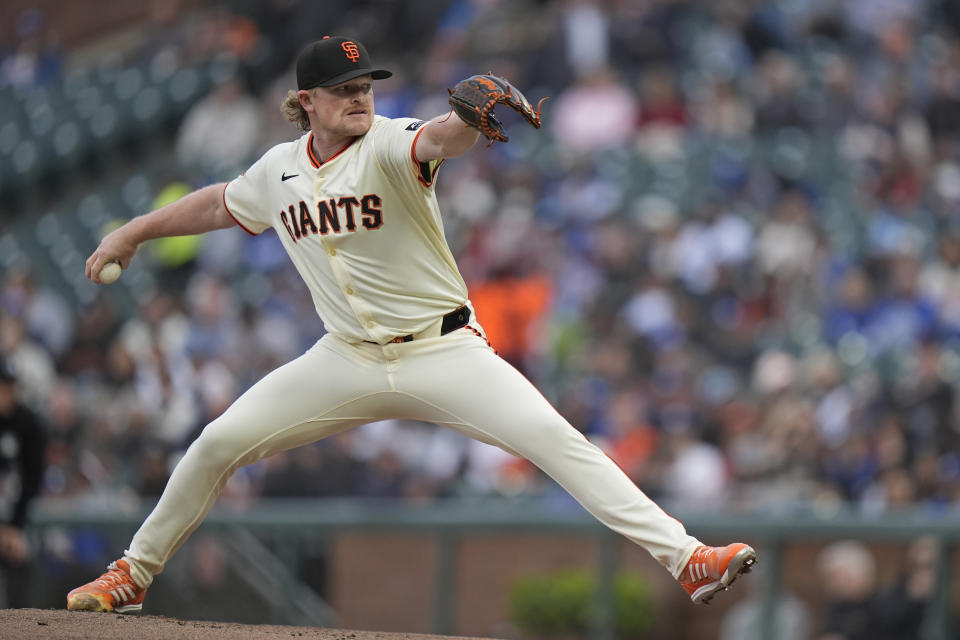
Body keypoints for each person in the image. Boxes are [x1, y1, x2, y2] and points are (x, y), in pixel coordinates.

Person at [66, 36, 756, 615]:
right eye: (343, 89)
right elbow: (222, 204)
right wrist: (135, 231)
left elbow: (439, 136)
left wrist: (466, 117)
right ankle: (134, 574)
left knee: (555, 438)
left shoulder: (391, 142)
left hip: (444, 351)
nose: (360, 96)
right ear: (307, 102)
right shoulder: (277, 170)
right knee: (217, 442)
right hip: (345, 359)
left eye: (365, 84)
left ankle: (689, 558)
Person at [0, 360, 47, 607]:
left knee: (23, 556)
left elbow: (33, 477)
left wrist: (13, 527)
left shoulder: (27, 423)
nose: (5, 394)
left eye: (9, 388)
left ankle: (20, 625)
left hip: (18, 519)